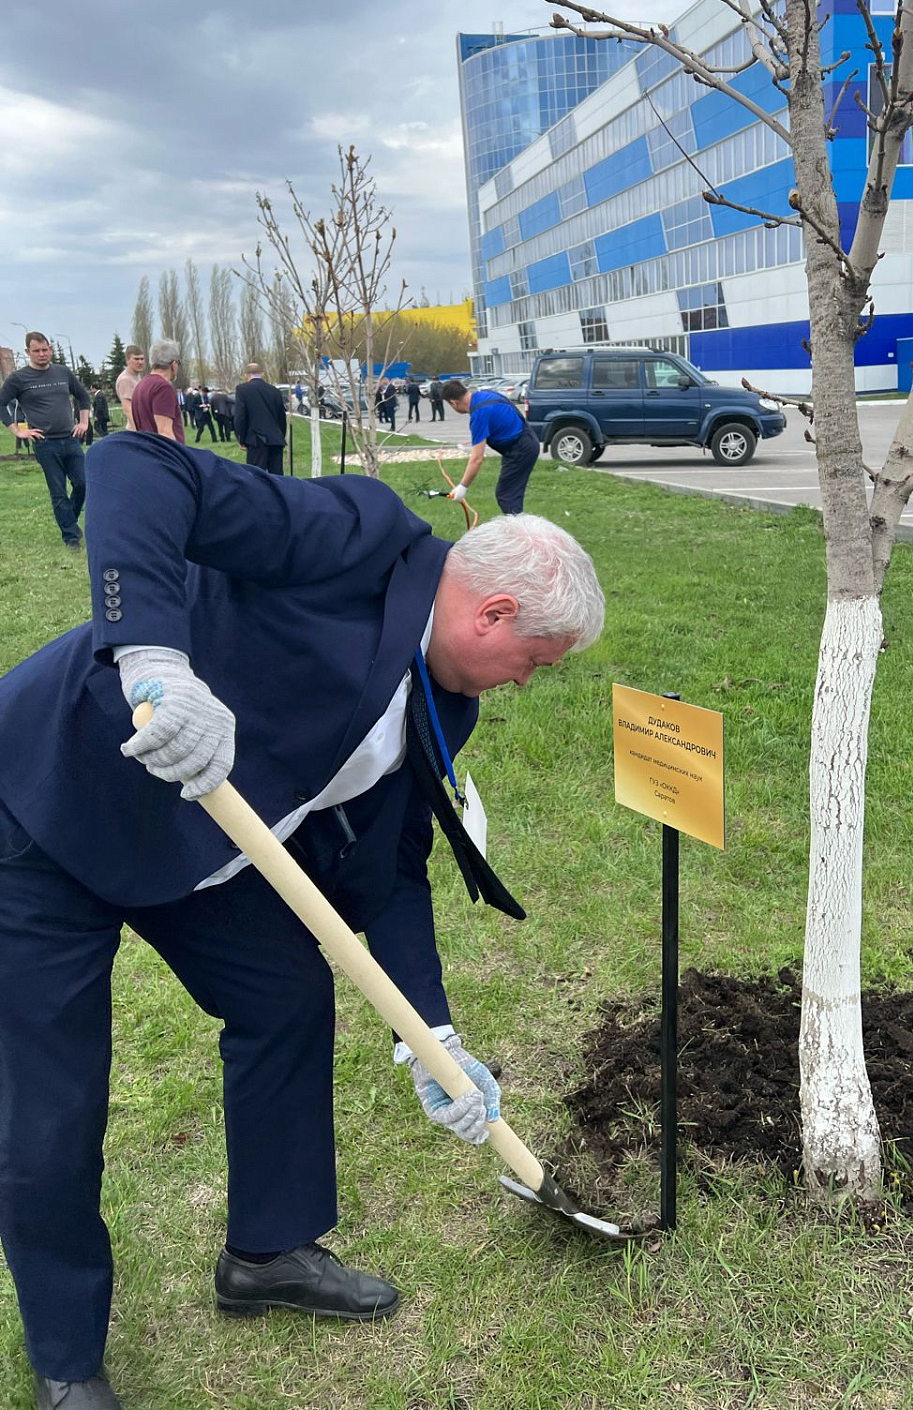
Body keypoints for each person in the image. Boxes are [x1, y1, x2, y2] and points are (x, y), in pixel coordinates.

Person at [0, 433, 604, 1410]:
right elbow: (132, 468)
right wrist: (155, 659)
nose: (526, 683)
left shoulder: (449, 705)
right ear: (492, 612)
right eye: (532, 661)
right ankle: (68, 1362)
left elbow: (399, 868)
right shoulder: (359, 539)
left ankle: (268, 1252)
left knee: (284, 993)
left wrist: (433, 1039)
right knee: (54, 1108)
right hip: (50, 808)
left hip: (200, 842)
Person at [0, 331, 90, 548]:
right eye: (36, 351)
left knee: (83, 484)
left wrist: (84, 422)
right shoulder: (19, 378)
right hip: (45, 443)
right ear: (27, 352)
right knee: (58, 491)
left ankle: (69, 519)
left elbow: (83, 395)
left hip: (70, 439)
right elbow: (1, 405)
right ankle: (71, 537)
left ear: (50, 349)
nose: (42, 354)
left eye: (45, 349)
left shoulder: (63, 372)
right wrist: (18, 431)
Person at [442, 379, 541, 515]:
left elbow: (477, 459)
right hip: (527, 438)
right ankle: (517, 528)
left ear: (453, 402)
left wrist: (462, 487)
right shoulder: (486, 394)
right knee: (510, 493)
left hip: (521, 449)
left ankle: (519, 533)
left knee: (507, 495)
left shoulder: (479, 415)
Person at [234, 362, 287, 474]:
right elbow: (281, 417)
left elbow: (240, 417)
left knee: (256, 476)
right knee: (277, 477)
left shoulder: (242, 390)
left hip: (256, 440)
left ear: (246, 375)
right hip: (276, 439)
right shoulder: (275, 391)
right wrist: (281, 435)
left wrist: (241, 439)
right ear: (262, 373)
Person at [129, 341, 185, 442]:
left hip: (146, 451)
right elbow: (165, 433)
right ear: (174, 364)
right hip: (163, 455)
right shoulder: (163, 388)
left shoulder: (140, 386)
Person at [114, 346, 145, 431]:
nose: (140, 362)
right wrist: (141, 431)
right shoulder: (125, 380)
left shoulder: (136, 376)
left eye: (142, 359)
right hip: (136, 430)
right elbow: (128, 410)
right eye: (136, 359)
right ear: (127, 361)